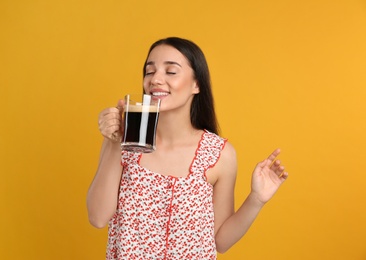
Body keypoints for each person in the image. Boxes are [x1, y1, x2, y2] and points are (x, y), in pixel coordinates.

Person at [87, 37, 288, 259]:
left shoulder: (219, 154)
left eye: (171, 71)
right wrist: (115, 140)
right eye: (149, 71)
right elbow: (97, 217)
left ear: (196, 84)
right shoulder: (125, 140)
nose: (156, 79)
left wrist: (256, 200)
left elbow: (220, 241)